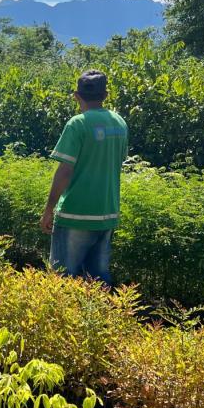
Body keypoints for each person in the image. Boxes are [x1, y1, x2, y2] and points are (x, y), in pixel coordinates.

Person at [39, 70, 128, 286]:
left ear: (76, 96)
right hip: (107, 211)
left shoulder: (77, 123)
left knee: (63, 278)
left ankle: (62, 320)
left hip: (75, 213)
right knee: (98, 277)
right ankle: (100, 318)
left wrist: (49, 209)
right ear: (105, 95)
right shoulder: (119, 123)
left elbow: (65, 170)